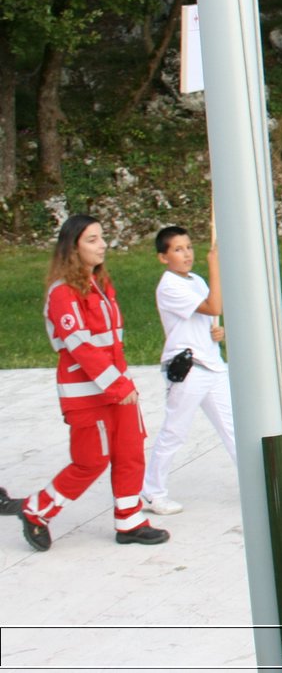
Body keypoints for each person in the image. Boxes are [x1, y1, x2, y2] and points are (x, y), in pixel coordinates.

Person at [0, 215, 169, 549]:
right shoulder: (62, 293)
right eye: (92, 239)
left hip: (118, 390)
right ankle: (37, 511)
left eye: (102, 237)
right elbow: (81, 347)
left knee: (130, 452)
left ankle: (129, 520)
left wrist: (124, 385)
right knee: (91, 460)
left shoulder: (100, 286)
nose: (102, 244)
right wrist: (118, 386)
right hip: (88, 395)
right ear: (73, 247)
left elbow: (112, 345)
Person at [141, 225, 237, 515]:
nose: (186, 254)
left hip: (212, 365)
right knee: (175, 432)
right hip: (188, 369)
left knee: (233, 428)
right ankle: (152, 492)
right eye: (178, 249)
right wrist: (215, 266)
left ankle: (257, 484)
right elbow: (213, 304)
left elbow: (210, 315)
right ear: (163, 257)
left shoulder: (195, 279)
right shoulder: (169, 286)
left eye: (189, 247)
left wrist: (215, 332)